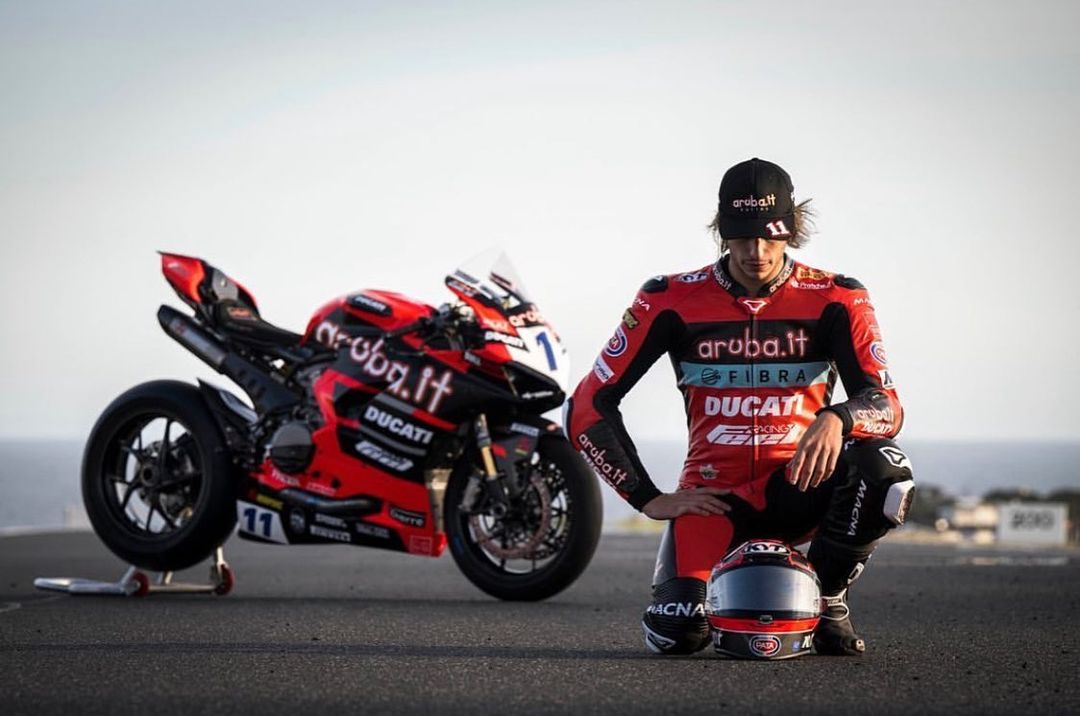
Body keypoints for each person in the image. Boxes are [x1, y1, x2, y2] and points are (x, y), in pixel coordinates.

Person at [565, 158, 915, 656]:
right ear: (721, 231)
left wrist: (838, 418)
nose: (757, 252)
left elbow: (887, 406)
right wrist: (646, 498)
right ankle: (695, 582)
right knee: (678, 636)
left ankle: (828, 596)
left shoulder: (838, 297)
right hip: (713, 501)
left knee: (887, 468)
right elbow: (587, 406)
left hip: (800, 488)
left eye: (770, 237)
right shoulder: (668, 298)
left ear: (792, 229)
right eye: (742, 237)